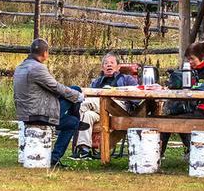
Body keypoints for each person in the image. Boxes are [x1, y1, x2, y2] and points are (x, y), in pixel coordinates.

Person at [13, 37, 84, 168]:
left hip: (25, 113)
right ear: (45, 53)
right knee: (75, 90)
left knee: (71, 123)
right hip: (38, 113)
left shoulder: (20, 67)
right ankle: (77, 118)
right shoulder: (37, 68)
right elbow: (56, 87)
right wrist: (78, 96)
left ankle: (55, 157)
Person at [72, 51, 137, 159]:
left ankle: (73, 116)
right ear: (102, 67)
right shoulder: (96, 82)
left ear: (118, 67)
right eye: (106, 63)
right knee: (87, 115)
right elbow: (88, 95)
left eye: (112, 62)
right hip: (99, 110)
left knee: (86, 104)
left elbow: (136, 94)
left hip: (118, 109)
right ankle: (84, 150)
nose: (109, 65)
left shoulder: (127, 79)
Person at [160, 41, 204, 158]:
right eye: (188, 59)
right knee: (168, 119)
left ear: (202, 56)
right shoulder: (192, 70)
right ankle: (158, 154)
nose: (190, 62)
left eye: (192, 59)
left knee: (172, 121)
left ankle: (193, 151)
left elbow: (201, 88)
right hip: (191, 108)